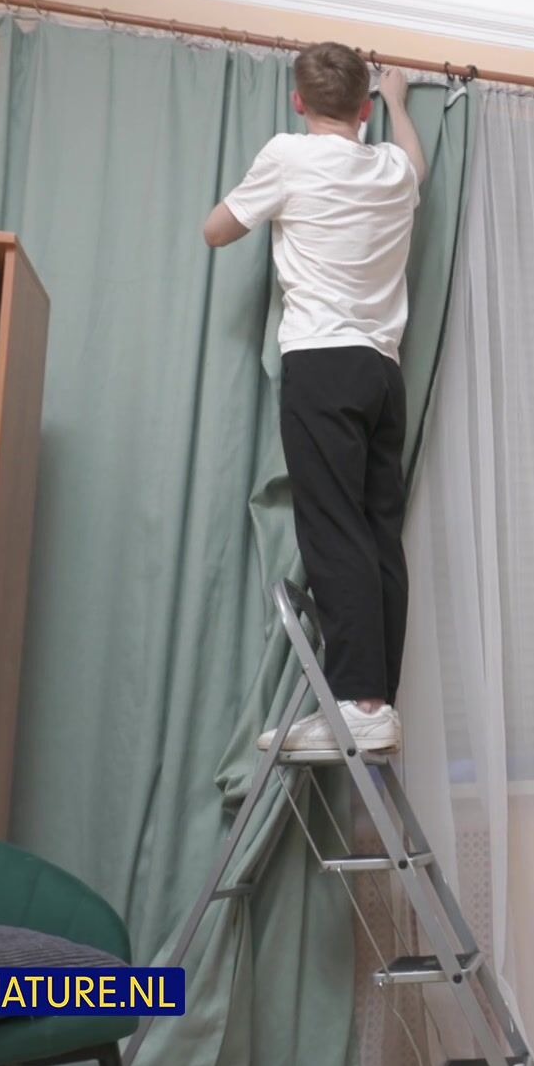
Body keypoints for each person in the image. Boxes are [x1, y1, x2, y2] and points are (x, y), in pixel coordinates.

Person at [202, 42, 426, 752]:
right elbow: (416, 164)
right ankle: (377, 701)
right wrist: (398, 102)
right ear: (363, 109)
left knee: (332, 529)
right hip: (382, 372)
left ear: (298, 101)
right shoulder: (390, 168)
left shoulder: (287, 155)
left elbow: (215, 231)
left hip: (323, 362)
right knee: (378, 532)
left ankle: (360, 701)